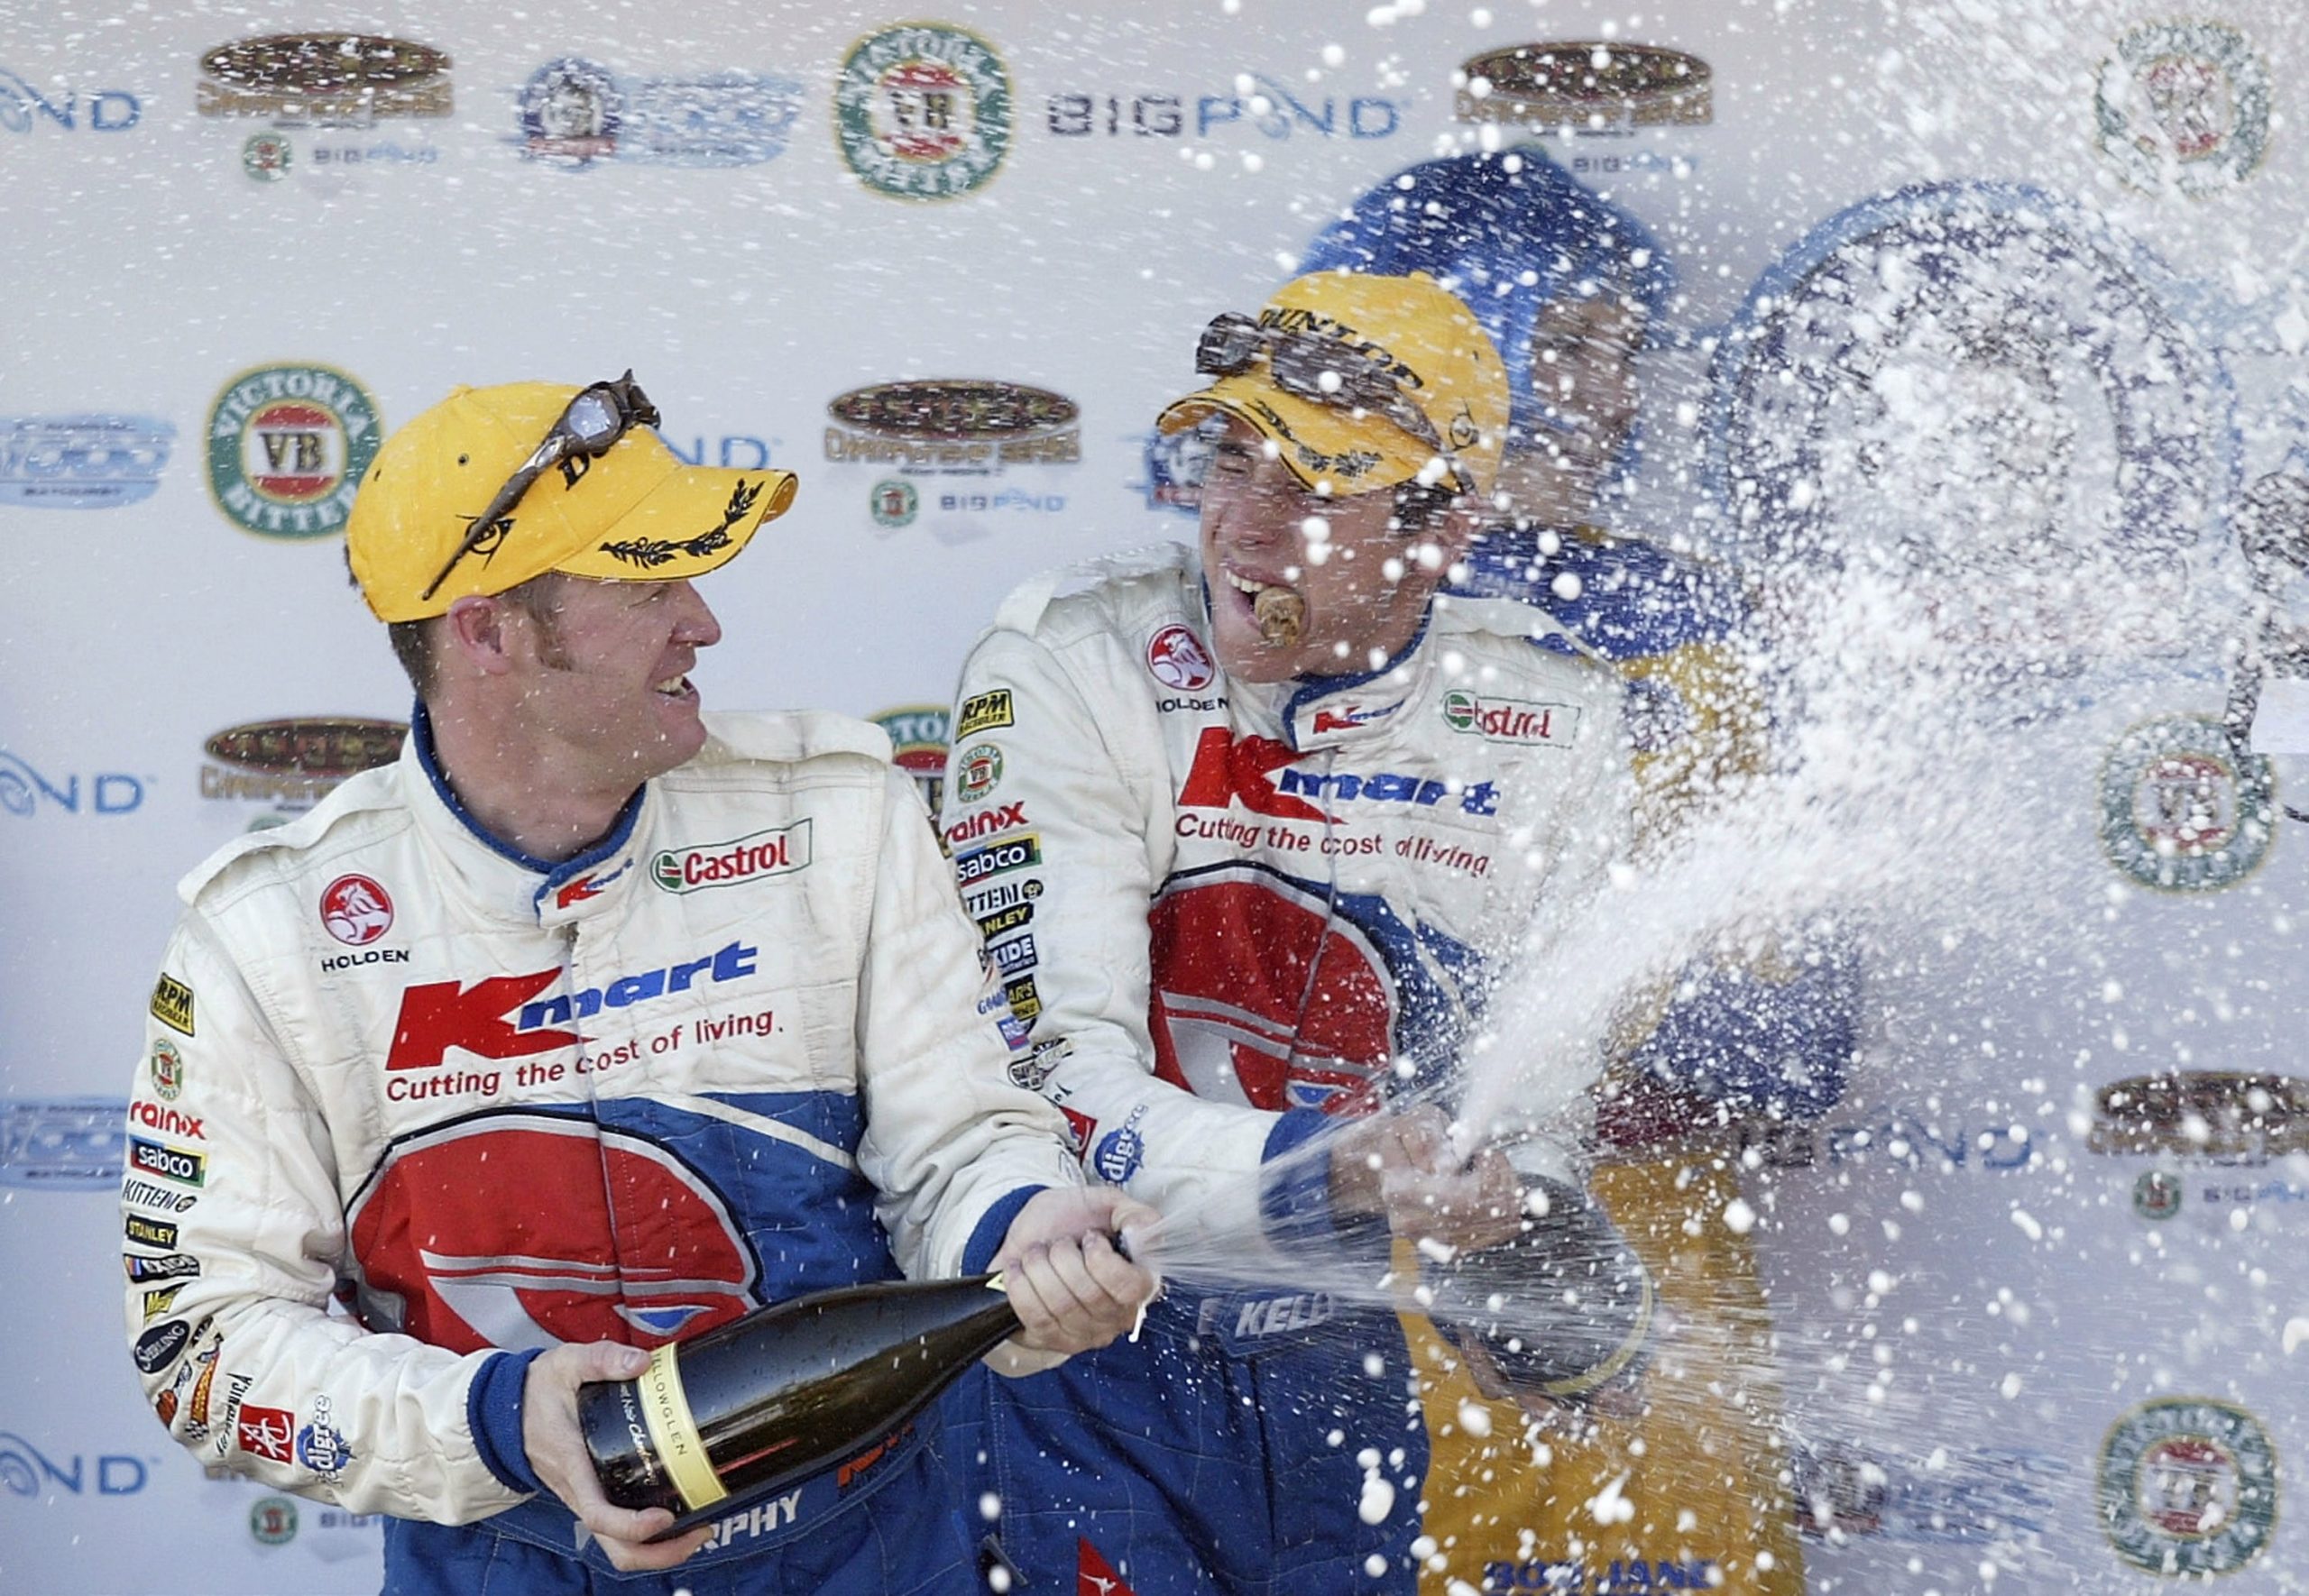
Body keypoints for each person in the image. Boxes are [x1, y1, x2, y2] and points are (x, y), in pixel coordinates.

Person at [119, 375, 1157, 1596]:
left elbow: (967, 1141)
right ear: (488, 628)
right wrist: (505, 1417)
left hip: (865, 1548)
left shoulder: (840, 815)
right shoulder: (268, 934)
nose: (703, 621)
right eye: (646, 582)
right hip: (505, 1561)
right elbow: (205, 1343)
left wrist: (1024, 1232)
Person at [937, 270, 1650, 1596]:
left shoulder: (1548, 720)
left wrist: (1525, 1232)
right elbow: (1045, 1087)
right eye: (1230, 460)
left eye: (1315, 493)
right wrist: (1333, 1167)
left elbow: (1533, 1103)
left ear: (1443, 534)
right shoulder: (1074, 664)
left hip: (1338, 1373)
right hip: (1078, 1353)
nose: (1244, 530)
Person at [1300, 146, 1857, 1596]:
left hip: (1647, 1287)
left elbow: (1796, 1038)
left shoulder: (1708, 631)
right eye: (1572, 347)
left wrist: (1507, 1084)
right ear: (1458, 339)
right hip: (1341, 1311)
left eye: (1622, 352)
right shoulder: (1257, 634)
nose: (1615, 398)